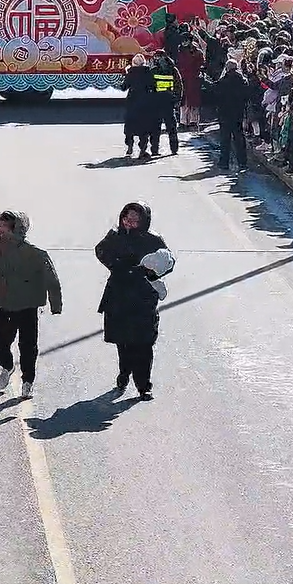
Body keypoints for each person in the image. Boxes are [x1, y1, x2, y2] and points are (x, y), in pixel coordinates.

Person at [0, 210, 62, 399]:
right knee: (0, 345)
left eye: (2, 226)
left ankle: (28, 381)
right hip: (5, 305)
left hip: (28, 307)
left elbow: (51, 279)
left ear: (15, 229)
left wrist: (55, 304)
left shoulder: (35, 253)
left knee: (28, 347)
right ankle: (8, 366)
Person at [94, 202, 171, 400]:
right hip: (119, 298)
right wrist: (118, 264)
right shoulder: (115, 236)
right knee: (124, 343)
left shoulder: (153, 240)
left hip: (143, 299)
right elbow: (100, 251)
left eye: (135, 221)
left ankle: (144, 385)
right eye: (127, 219)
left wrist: (151, 269)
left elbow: (168, 262)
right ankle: (124, 374)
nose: (130, 223)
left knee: (144, 345)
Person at [213, 59, 250, 170]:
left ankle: (224, 162)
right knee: (239, 139)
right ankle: (242, 163)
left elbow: (215, 93)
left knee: (225, 140)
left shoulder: (223, 81)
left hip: (224, 113)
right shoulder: (243, 80)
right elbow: (246, 96)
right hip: (238, 113)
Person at [122, 54, 156, 159]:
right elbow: (153, 86)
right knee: (144, 125)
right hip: (145, 100)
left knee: (130, 124)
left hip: (132, 100)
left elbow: (123, 87)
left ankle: (130, 146)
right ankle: (143, 149)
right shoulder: (148, 72)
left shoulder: (131, 73)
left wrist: (126, 74)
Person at [150, 50, 183, 155]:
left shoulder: (154, 70)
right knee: (171, 127)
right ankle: (174, 149)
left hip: (156, 102)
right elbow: (179, 85)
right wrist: (177, 99)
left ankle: (154, 150)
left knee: (155, 128)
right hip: (169, 102)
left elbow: (149, 86)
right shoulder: (173, 70)